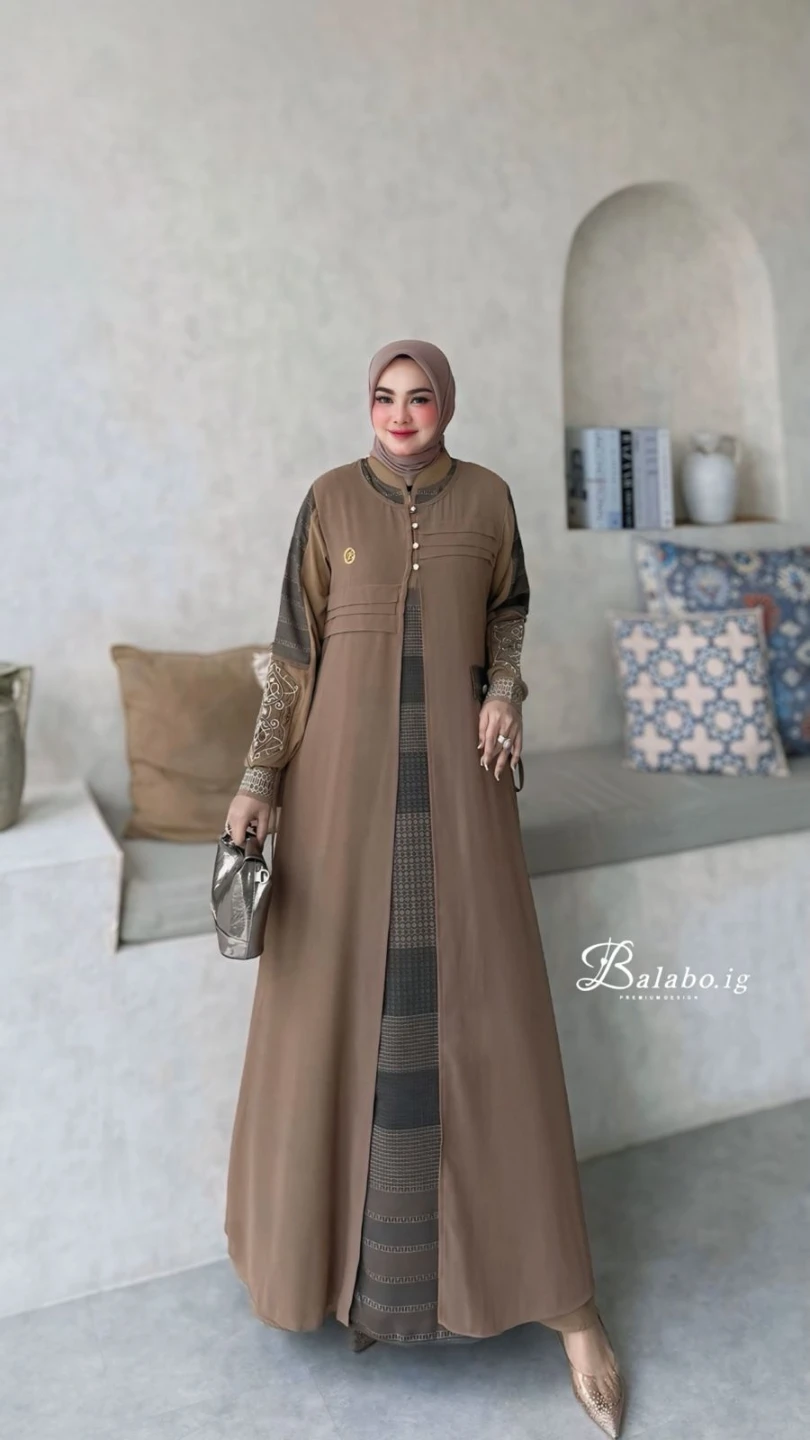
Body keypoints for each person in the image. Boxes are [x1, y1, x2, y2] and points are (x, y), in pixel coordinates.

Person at [224, 340, 626, 1438]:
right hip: (337, 800)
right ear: (368, 404)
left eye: (420, 397)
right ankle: (324, 1271)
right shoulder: (328, 500)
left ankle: (568, 1307)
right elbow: (292, 657)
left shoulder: (488, 499)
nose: (401, 414)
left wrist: (506, 693)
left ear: (447, 404)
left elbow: (508, 614)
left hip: (463, 794)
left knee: (487, 1022)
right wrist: (259, 779)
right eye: (384, 397)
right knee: (331, 1024)